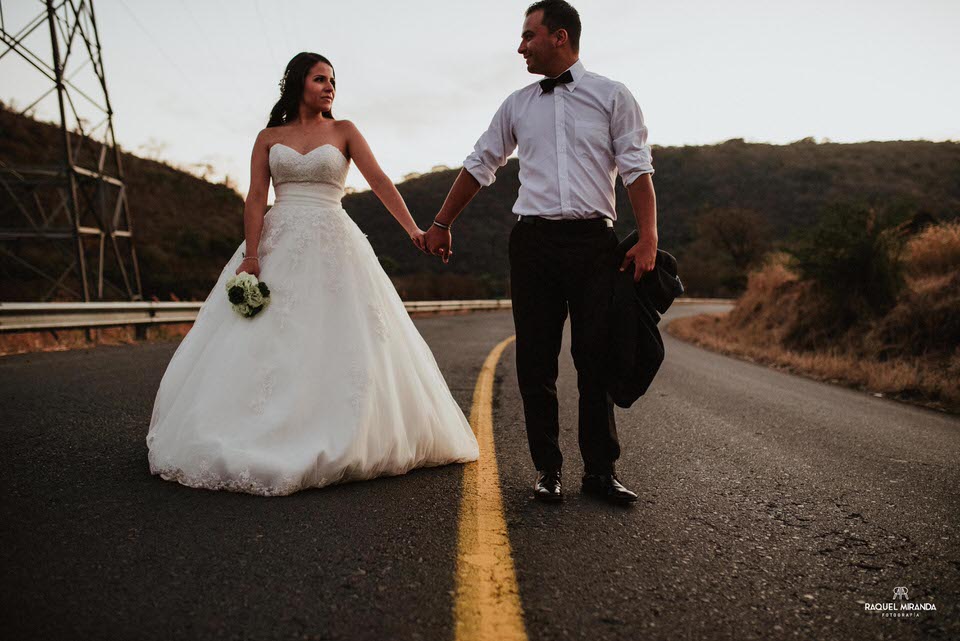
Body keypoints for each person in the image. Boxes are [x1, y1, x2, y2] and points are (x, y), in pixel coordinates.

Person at [146, 52, 479, 496]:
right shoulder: (269, 137)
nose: (329, 87)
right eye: (320, 79)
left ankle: (337, 428)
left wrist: (415, 230)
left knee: (338, 335)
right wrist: (250, 255)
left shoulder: (344, 131)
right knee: (264, 334)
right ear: (298, 83)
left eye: (333, 81)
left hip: (333, 241)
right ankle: (252, 425)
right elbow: (255, 198)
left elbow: (379, 181)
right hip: (276, 239)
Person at [424, 0, 658, 504]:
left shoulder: (613, 96)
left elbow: (637, 168)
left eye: (529, 35)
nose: (520, 46)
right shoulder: (516, 104)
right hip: (533, 244)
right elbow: (480, 163)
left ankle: (599, 472)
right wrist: (442, 222)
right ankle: (547, 470)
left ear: (560, 37)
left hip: (595, 245)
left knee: (593, 359)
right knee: (535, 361)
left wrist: (649, 236)